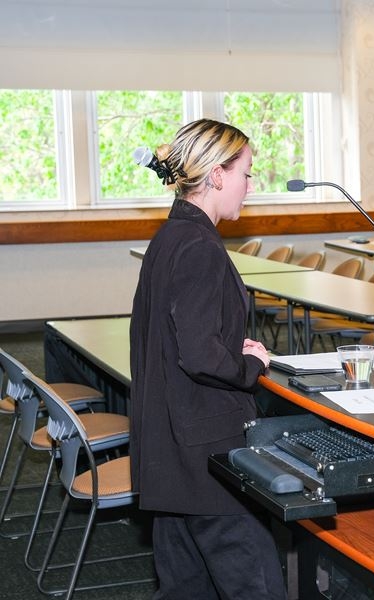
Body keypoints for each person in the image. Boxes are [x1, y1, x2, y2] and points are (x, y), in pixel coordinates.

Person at [130, 119, 286, 600]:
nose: (249, 186)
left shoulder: (171, 236)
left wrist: (224, 342)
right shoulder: (200, 246)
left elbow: (174, 338)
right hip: (206, 457)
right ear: (217, 176)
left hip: (170, 451)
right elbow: (198, 356)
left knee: (186, 589)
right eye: (246, 173)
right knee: (256, 587)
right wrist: (251, 364)